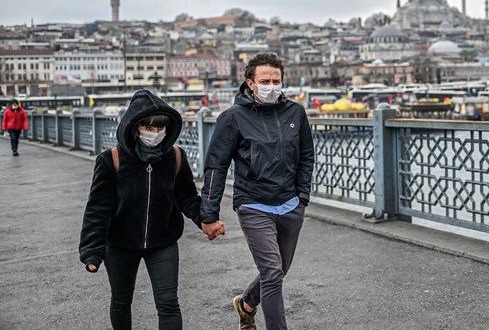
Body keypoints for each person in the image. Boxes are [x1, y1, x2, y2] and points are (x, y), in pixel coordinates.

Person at [79, 89, 219, 330]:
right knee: (122, 301)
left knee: (168, 304)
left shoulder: (175, 156)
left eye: (159, 129)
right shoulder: (111, 160)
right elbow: (97, 209)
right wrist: (92, 251)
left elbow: (186, 196)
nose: (154, 134)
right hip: (120, 243)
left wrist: (205, 219)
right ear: (134, 127)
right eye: (148, 128)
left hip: (163, 240)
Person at [200, 53, 314, 330]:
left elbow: (306, 156)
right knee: (272, 272)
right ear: (251, 83)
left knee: (278, 269)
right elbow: (216, 166)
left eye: (276, 80)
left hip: (290, 204)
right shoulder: (232, 118)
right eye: (265, 81)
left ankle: (247, 304)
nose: (272, 85)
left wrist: (302, 197)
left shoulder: (295, 113)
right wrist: (209, 215)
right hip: (254, 204)